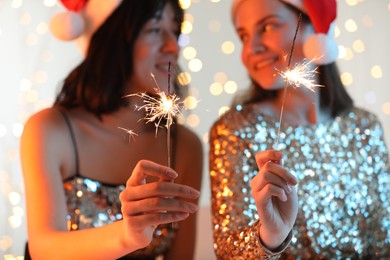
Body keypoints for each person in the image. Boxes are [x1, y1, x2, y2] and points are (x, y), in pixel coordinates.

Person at [20, 0, 203, 259]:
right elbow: (43, 249)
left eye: (175, 30)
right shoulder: (51, 131)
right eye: (154, 30)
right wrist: (126, 236)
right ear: (112, 39)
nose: (173, 46)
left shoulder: (185, 146)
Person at [209, 0, 390, 258]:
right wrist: (271, 236)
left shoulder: (364, 127)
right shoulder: (234, 131)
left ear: (314, 28)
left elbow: (383, 240)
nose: (251, 48)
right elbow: (228, 253)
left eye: (268, 26)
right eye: (243, 36)